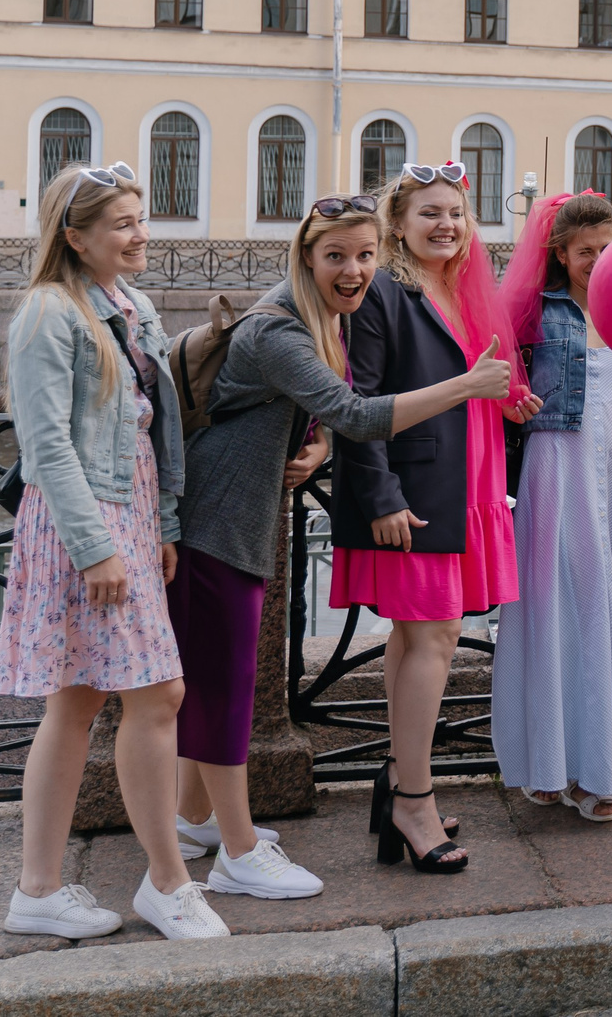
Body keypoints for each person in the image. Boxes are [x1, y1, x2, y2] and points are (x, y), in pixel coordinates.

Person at [170, 194, 489, 896]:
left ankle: (194, 819)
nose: (354, 271)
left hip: (230, 515)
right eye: (336, 256)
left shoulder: (303, 316)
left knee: (210, 677)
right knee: (225, 688)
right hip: (218, 522)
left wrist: (311, 447)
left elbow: (310, 410)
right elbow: (353, 410)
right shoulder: (279, 331)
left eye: (366, 255)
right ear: (305, 256)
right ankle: (238, 852)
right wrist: (467, 384)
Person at [0, 163, 221, 940]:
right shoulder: (47, 313)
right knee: (157, 695)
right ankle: (166, 881)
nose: (140, 232)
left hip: (126, 520)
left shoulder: (131, 305)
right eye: (122, 222)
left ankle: (39, 890)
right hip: (82, 528)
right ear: (76, 236)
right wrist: (98, 548)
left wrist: (160, 529)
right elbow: (46, 446)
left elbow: (153, 432)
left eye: (140, 216)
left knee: (80, 700)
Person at [334, 160, 522, 874]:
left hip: (463, 476)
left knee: (417, 640)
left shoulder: (460, 286)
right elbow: (360, 397)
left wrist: (504, 400)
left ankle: (395, 781)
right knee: (435, 638)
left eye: (456, 212)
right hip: (414, 491)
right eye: (429, 213)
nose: (446, 224)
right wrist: (380, 496)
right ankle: (413, 798)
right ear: (399, 227)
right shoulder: (385, 288)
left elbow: (479, 381)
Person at [491, 192, 612, 821]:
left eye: (607, 247)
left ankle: (601, 770)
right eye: (585, 251)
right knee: (559, 601)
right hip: (556, 461)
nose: (597, 260)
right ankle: (552, 762)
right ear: (559, 253)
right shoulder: (537, 309)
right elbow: (494, 365)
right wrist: (514, 394)